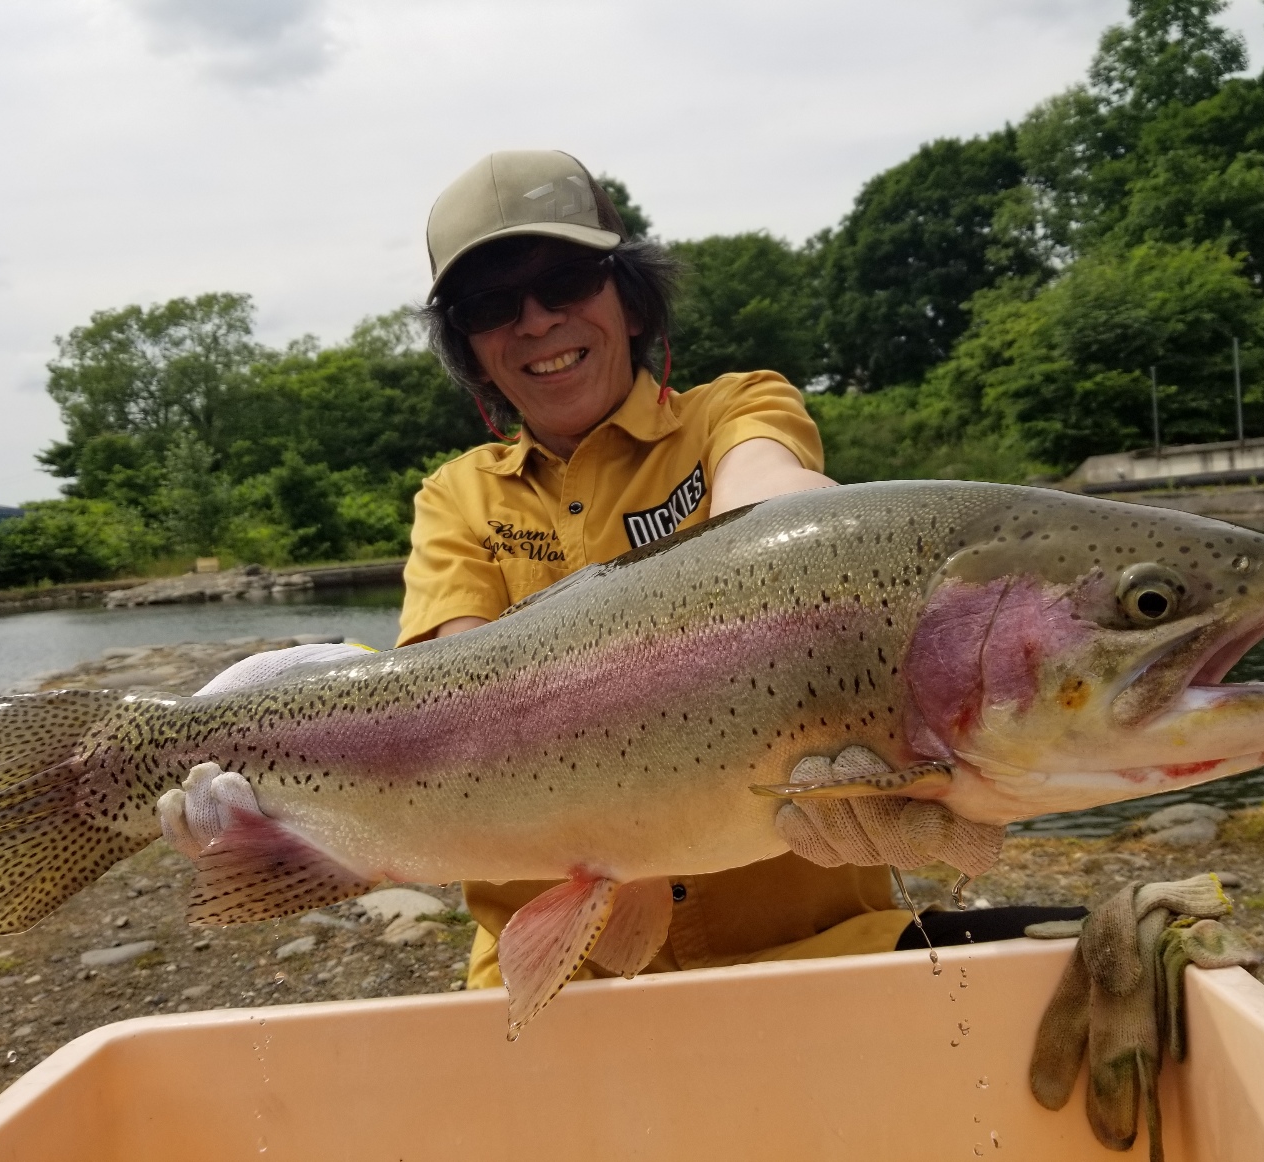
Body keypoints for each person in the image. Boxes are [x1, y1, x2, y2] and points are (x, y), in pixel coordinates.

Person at [399, 150, 1087, 991]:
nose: (537, 321)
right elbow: (442, 698)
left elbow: (776, 500)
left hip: (814, 957)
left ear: (630, 297)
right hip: (556, 984)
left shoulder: (739, 408)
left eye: (568, 281)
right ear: (468, 346)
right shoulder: (457, 498)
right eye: (490, 304)